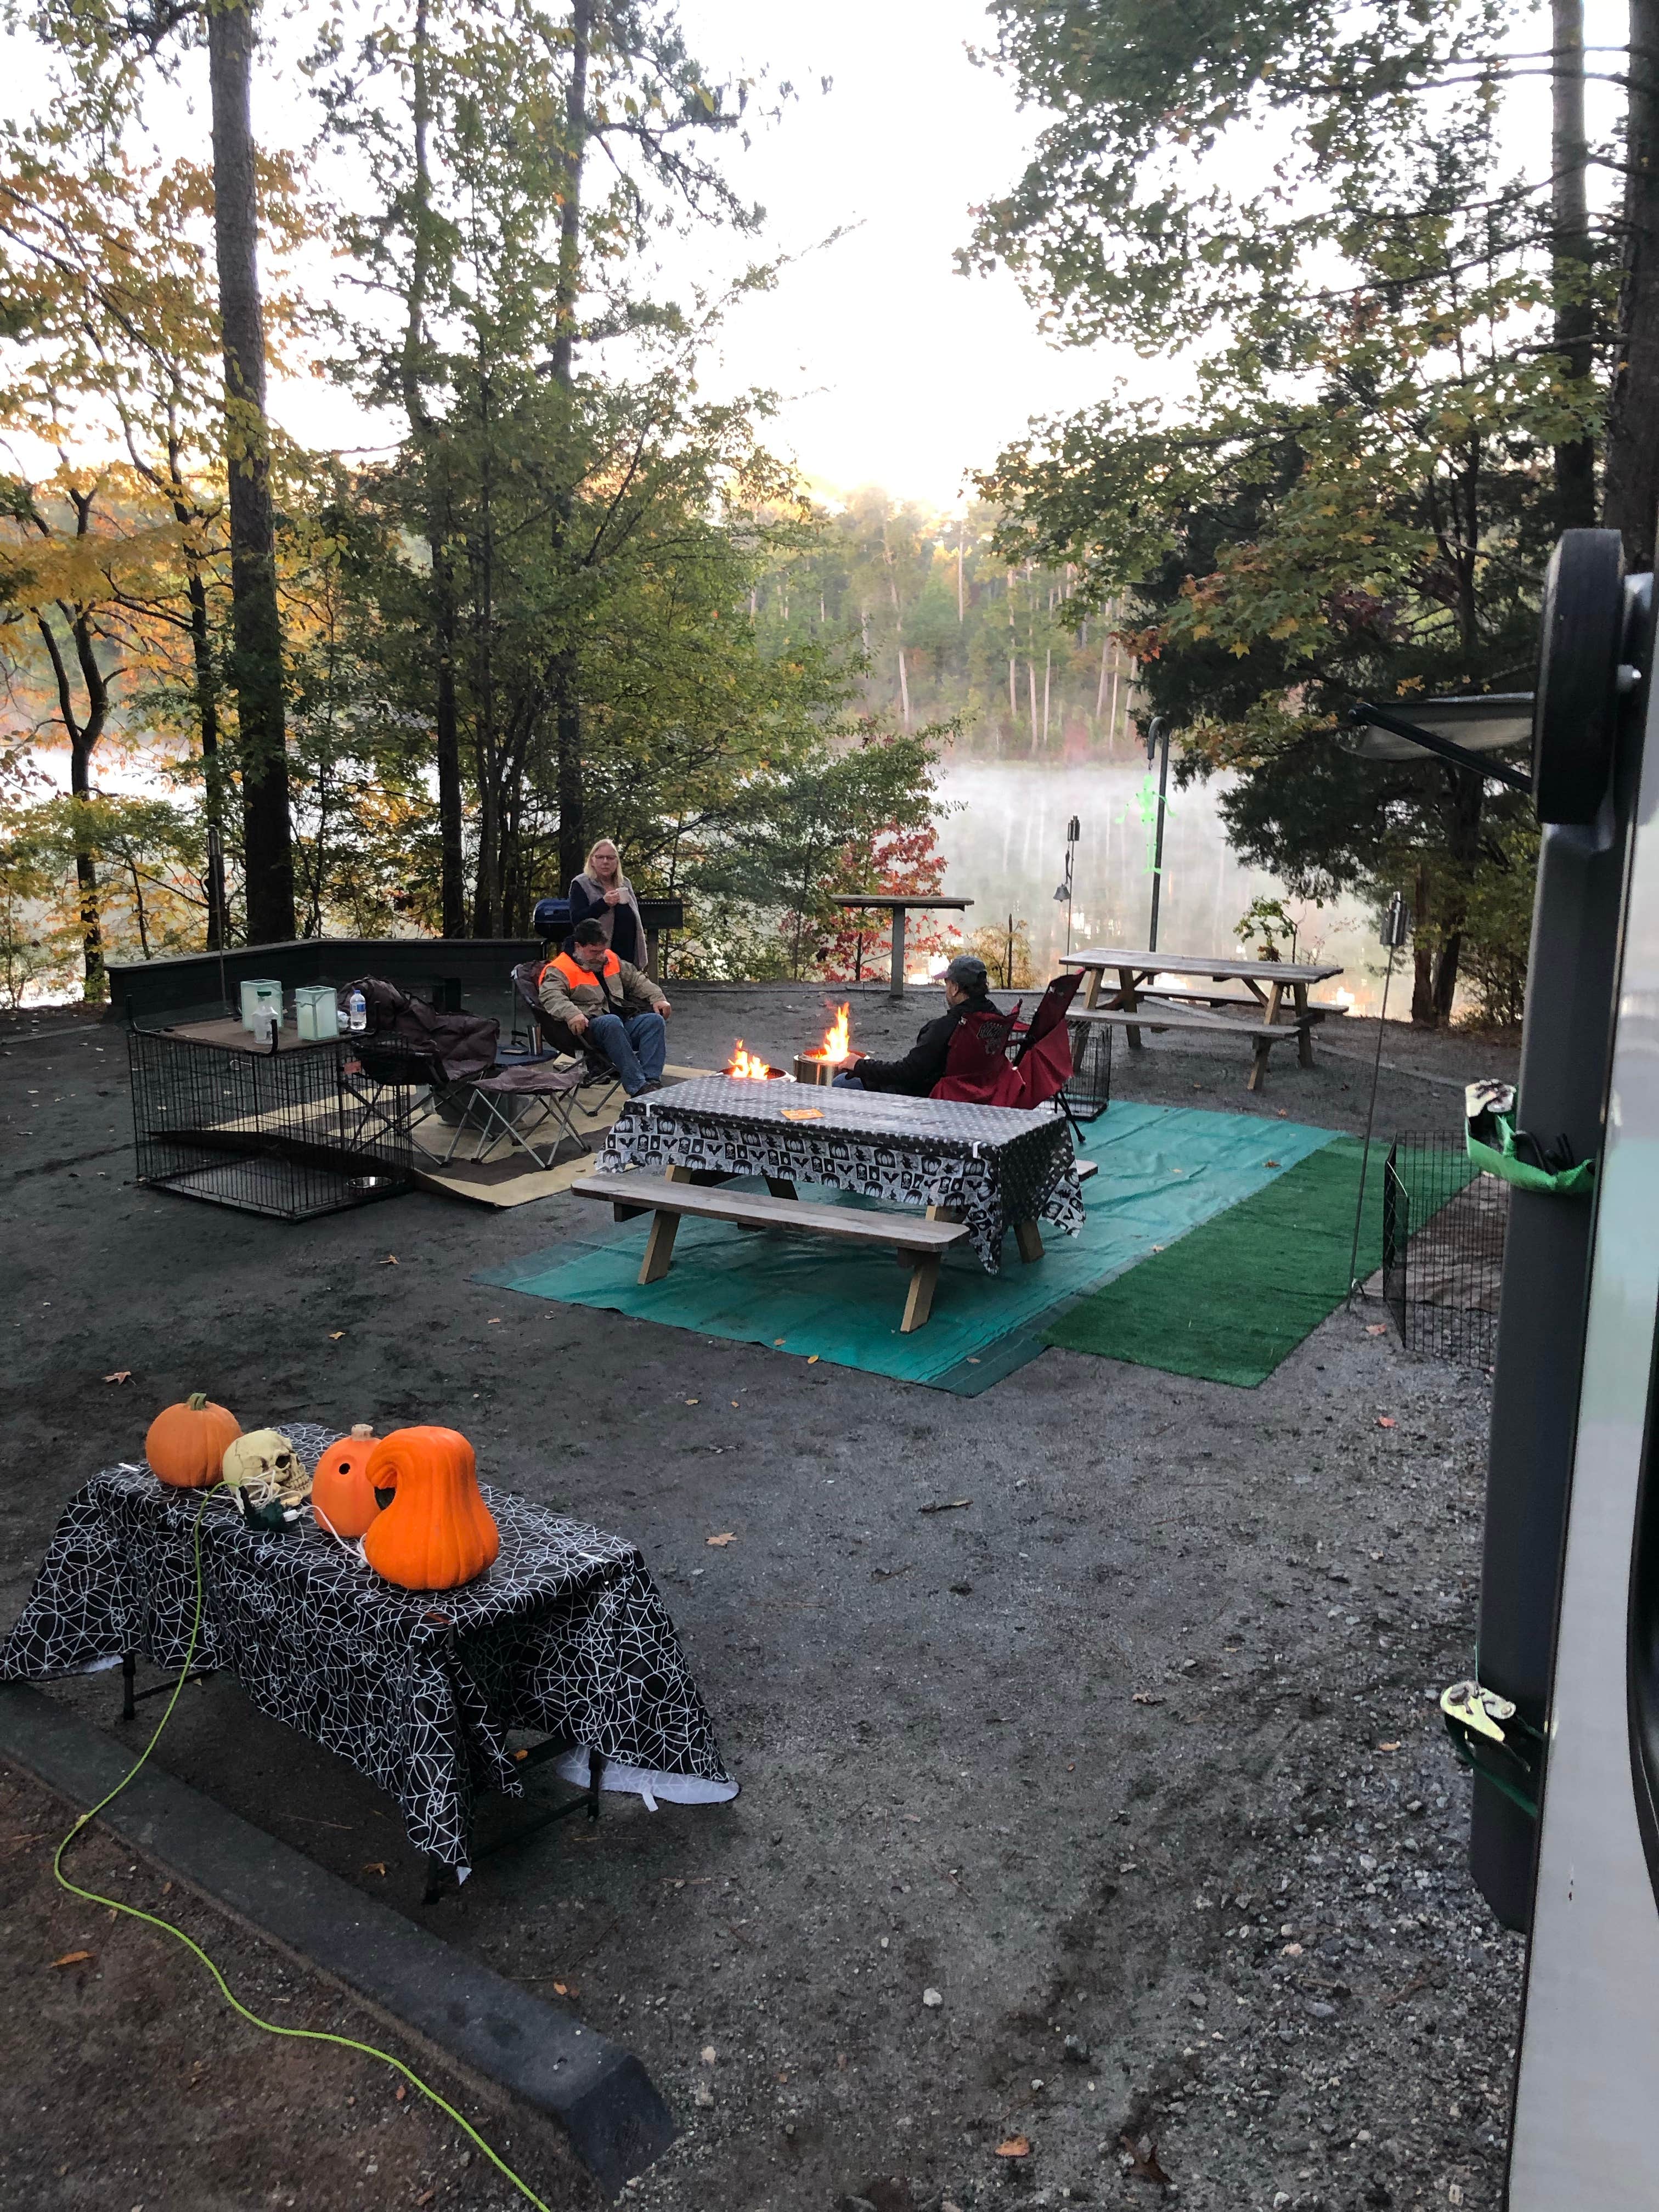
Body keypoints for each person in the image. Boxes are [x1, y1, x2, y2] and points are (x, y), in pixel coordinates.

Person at [538, 919, 672, 1097]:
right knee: (612, 1022)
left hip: (620, 1026)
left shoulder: (610, 958)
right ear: (578, 946)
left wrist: (658, 998)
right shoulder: (559, 969)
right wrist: (572, 1014)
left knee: (654, 1021)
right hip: (588, 1030)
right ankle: (638, 1087)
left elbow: (637, 980)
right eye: (595, 952)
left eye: (602, 950)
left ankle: (652, 1082)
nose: (601, 956)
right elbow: (552, 997)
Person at [834, 953, 997, 1096]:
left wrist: (860, 1065)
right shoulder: (995, 1018)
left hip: (929, 1096)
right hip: (977, 1092)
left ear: (955, 988)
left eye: (947, 984)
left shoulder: (946, 1028)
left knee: (843, 1081)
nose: (946, 989)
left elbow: (907, 1072)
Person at [567, 839, 647, 968]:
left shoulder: (624, 883)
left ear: (617, 862)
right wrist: (603, 904)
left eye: (610, 858)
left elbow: (635, 918)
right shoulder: (581, 884)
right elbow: (577, 919)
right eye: (600, 857)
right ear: (592, 861)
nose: (605, 862)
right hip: (597, 957)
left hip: (628, 956)